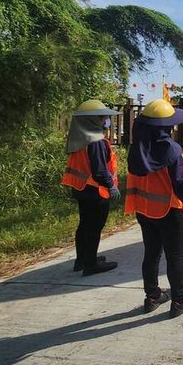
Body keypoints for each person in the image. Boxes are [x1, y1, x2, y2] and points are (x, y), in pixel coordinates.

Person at [125, 99, 183, 318]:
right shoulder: (171, 150)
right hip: (169, 212)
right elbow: (180, 183)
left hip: (144, 210)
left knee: (151, 254)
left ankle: (152, 296)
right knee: (175, 256)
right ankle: (179, 300)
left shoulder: (137, 150)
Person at [61, 99, 121, 276]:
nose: (105, 121)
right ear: (93, 120)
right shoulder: (96, 141)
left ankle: (83, 259)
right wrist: (111, 187)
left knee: (85, 226)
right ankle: (91, 264)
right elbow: (100, 170)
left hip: (81, 189)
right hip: (95, 191)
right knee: (94, 228)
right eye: (102, 118)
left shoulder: (80, 139)